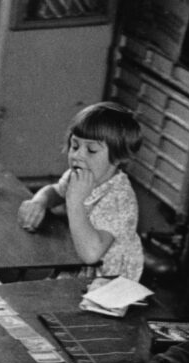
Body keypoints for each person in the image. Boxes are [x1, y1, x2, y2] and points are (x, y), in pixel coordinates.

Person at [17, 102, 144, 281]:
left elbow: (92, 254)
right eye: (75, 146)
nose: (77, 155)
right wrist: (39, 202)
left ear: (117, 157)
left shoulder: (119, 197)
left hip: (108, 284)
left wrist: (75, 202)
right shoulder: (78, 176)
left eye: (91, 150)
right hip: (76, 269)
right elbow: (55, 191)